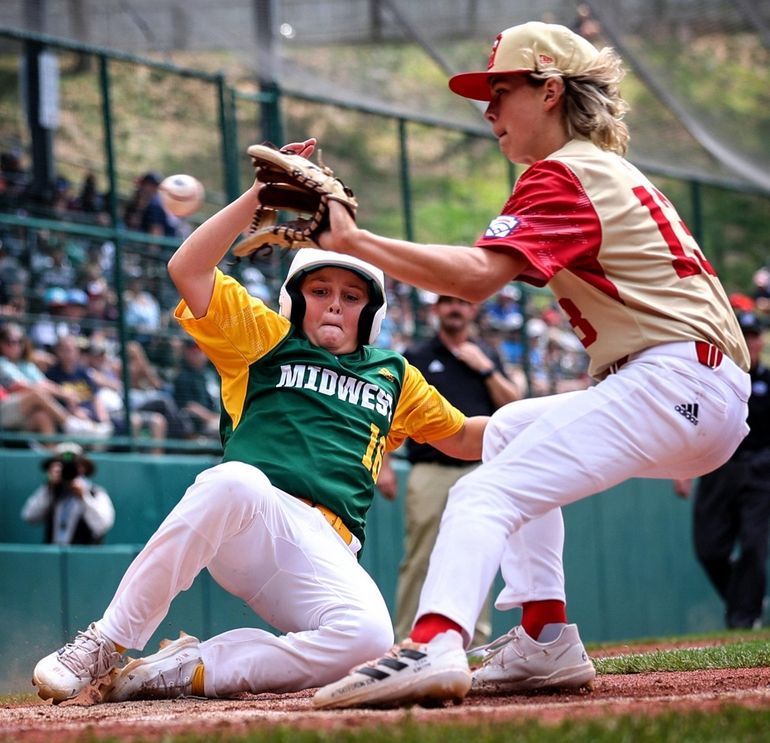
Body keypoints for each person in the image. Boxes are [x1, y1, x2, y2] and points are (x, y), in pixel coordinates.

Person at [312, 20, 751, 709]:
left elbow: (477, 277)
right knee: (513, 430)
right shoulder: (596, 172)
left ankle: (434, 641)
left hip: (675, 381)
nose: (488, 110)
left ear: (550, 92)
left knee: (481, 494)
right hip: (693, 387)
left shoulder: (565, 174)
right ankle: (546, 637)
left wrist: (354, 240)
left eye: (502, 89)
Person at [30, 144, 488, 705]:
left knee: (368, 641)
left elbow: (464, 437)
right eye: (320, 291)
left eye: (351, 296)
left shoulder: (395, 374)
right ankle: (107, 641)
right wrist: (257, 199)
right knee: (234, 479)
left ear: (371, 311)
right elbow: (187, 268)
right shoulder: (264, 338)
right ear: (296, 299)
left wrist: (548, 423)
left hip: (326, 549)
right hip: (251, 517)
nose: (335, 305)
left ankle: (185, 669)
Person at [382, 294, 519, 646]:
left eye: (462, 301)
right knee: (420, 557)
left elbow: (515, 407)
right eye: (446, 302)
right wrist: (382, 464)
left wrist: (485, 368)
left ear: (473, 309)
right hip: (430, 468)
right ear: (435, 310)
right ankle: (405, 640)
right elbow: (386, 409)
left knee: (478, 553)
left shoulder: (486, 354)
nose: (454, 307)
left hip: (480, 468)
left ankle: (474, 643)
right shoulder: (416, 356)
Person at [673, 311, 770, 630]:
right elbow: (692, 424)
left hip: (759, 471)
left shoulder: (767, 381)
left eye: (753, 335)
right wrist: (682, 470)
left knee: (755, 546)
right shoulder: (711, 380)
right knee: (709, 550)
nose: (749, 341)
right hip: (717, 467)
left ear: (759, 340)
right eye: (743, 334)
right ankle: (744, 603)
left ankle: (745, 619)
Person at [21, 442, 115, 545]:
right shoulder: (51, 492)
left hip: (83, 557)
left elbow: (102, 525)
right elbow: (29, 516)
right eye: (63, 465)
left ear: (83, 467)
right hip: (53, 555)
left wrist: (84, 498)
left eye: (74, 465)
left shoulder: (96, 493)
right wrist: (49, 489)